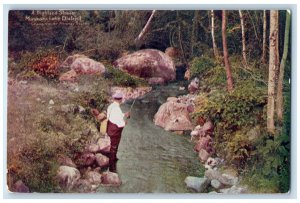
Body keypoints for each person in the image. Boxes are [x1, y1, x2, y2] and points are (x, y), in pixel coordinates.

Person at [106, 92, 130, 172]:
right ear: (120, 100)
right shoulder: (117, 108)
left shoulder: (111, 106)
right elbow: (120, 124)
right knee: (114, 147)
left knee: (113, 145)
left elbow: (114, 116)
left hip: (110, 128)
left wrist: (124, 115)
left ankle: (114, 159)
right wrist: (125, 123)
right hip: (115, 131)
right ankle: (112, 168)